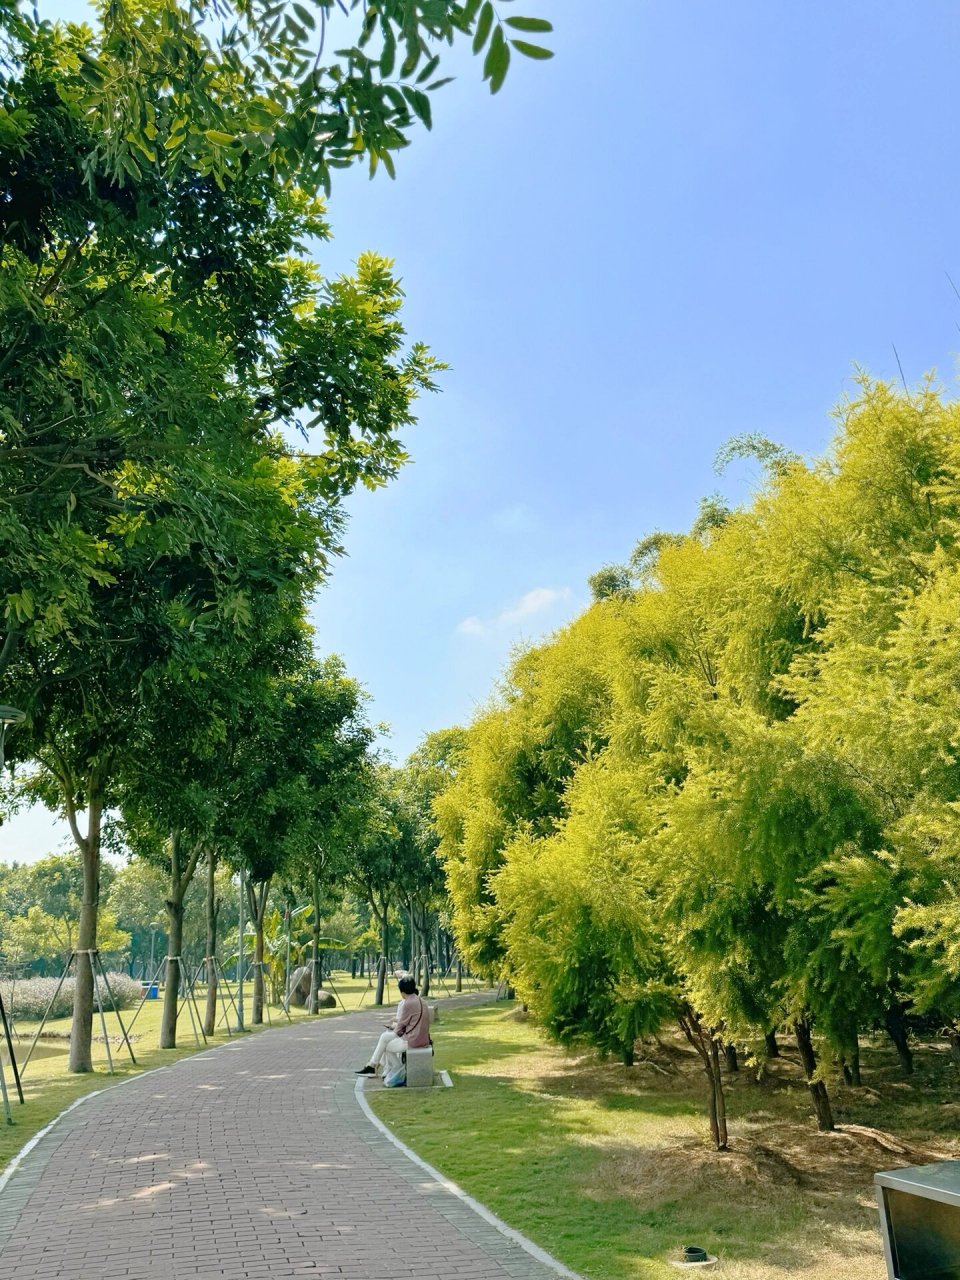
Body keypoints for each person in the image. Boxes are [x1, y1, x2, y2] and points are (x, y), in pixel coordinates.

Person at [355, 975, 431, 1078]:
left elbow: (399, 1028)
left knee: (385, 1042)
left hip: (413, 1041)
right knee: (385, 1038)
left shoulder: (408, 1003)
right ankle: (373, 1066)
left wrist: (392, 1028)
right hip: (422, 1039)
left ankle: (389, 1067)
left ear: (402, 992)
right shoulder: (421, 1001)